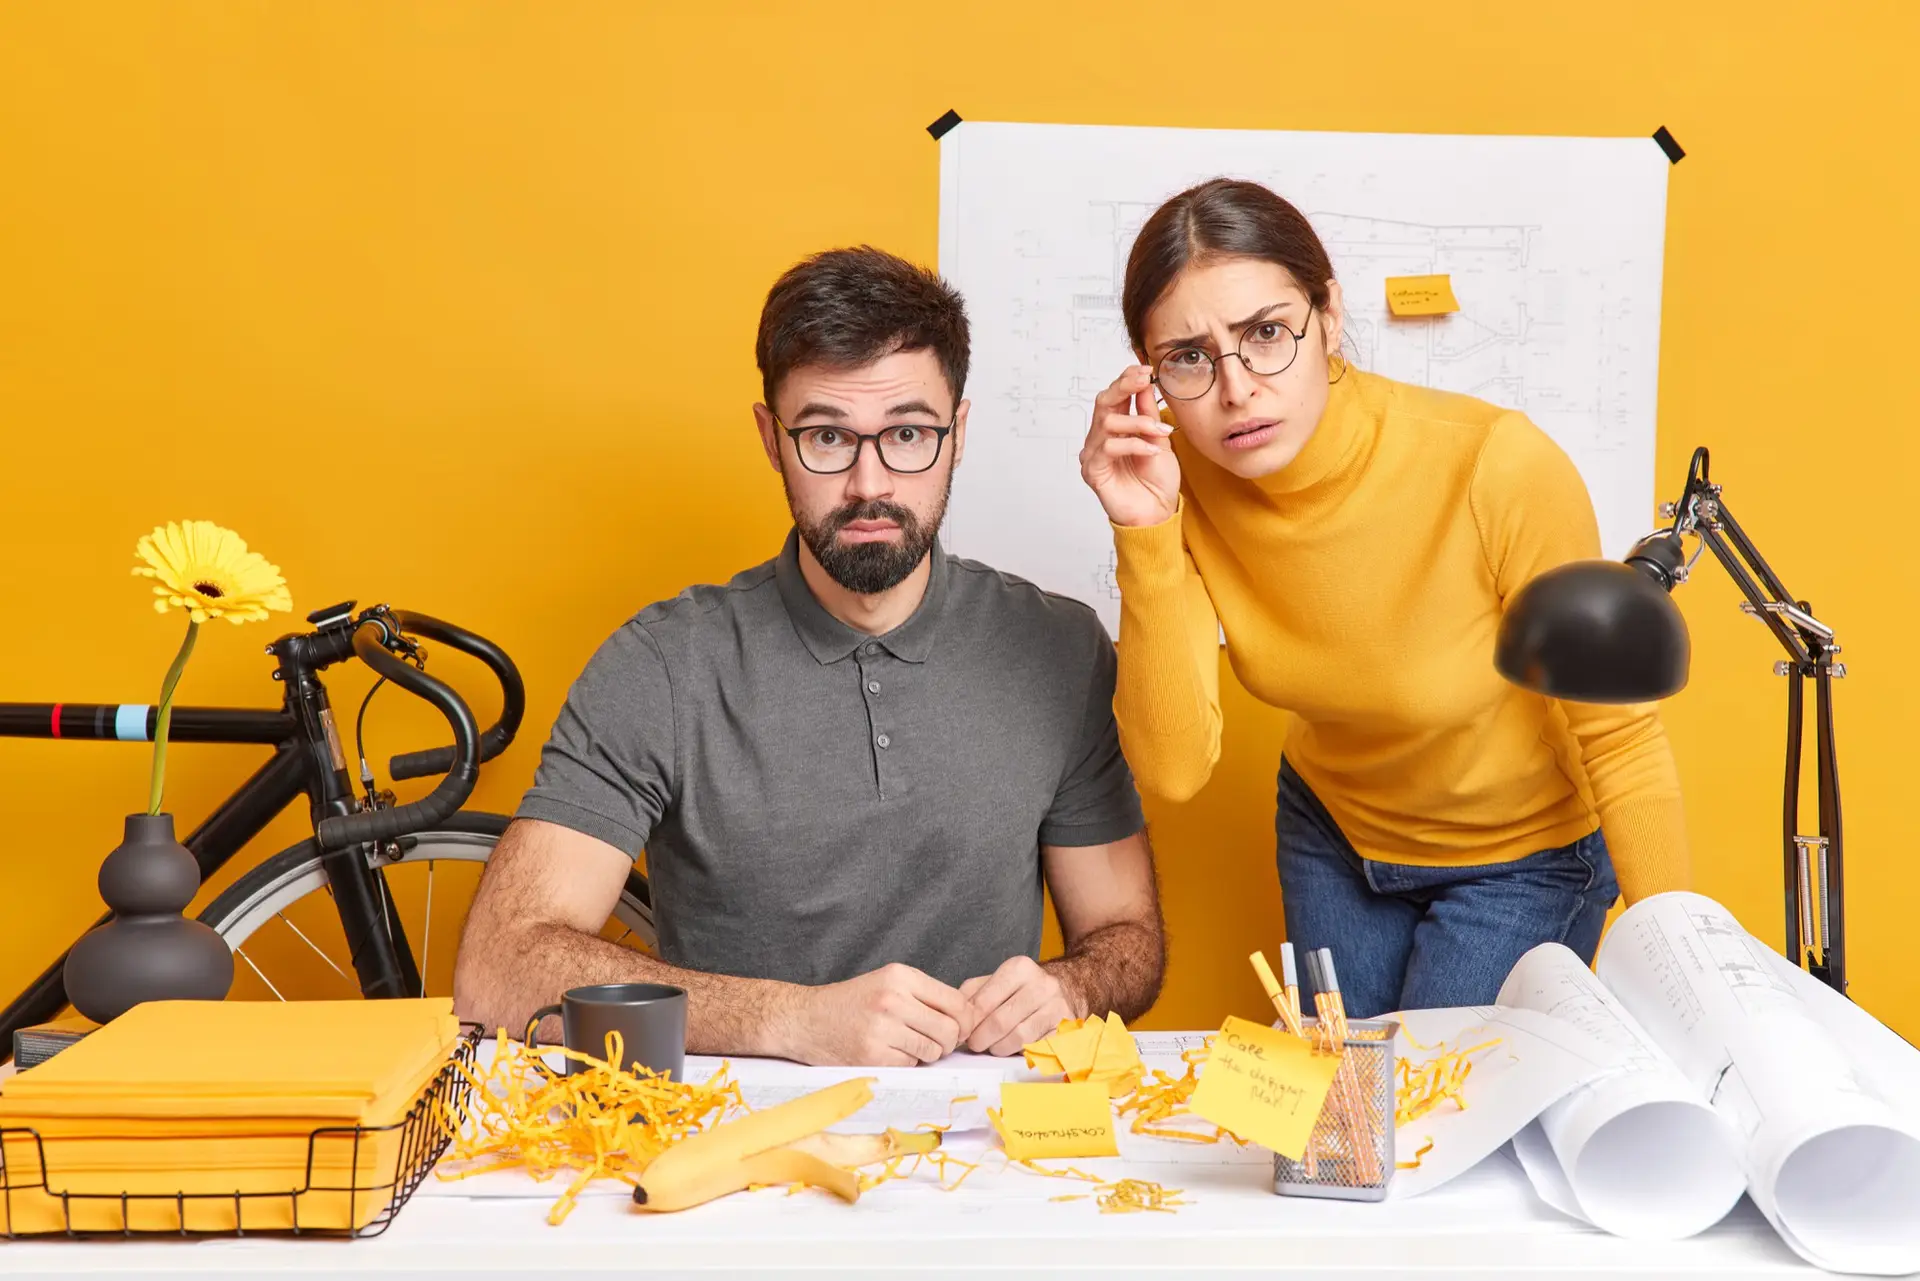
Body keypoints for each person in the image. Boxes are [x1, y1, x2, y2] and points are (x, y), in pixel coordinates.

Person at [456, 246, 1165, 1066]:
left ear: (958, 434)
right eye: (827, 436)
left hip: (986, 1126)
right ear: (771, 437)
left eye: (908, 434)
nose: (870, 484)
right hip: (737, 1127)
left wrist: (1069, 988)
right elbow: (497, 968)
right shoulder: (662, 665)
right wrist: (789, 1020)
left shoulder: (1059, 649)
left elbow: (1127, 937)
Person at [1078, 178, 1688, 1018]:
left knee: (1444, 1099)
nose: (1236, 388)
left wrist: (1684, 980)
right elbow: (1172, 770)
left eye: (1265, 333)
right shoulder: (1179, 480)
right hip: (1332, 834)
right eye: (1189, 356)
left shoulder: (1495, 465)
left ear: (1328, 315)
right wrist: (1144, 530)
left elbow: (1620, 738)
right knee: (1344, 1103)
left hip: (1521, 856)